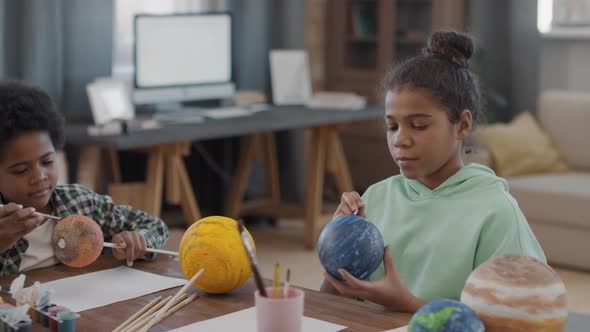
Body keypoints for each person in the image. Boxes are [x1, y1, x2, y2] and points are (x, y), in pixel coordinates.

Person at [320, 31, 546, 312]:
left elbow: (523, 318)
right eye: (392, 126)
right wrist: (336, 244)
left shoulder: (496, 212)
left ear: (462, 125)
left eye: (418, 125)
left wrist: (407, 305)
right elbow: (331, 304)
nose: (399, 139)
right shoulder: (376, 197)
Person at [0, 81, 168, 276]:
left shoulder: (80, 202)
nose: (39, 177)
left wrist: (139, 240)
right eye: (21, 170)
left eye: (47, 162)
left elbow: (154, 226)